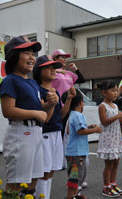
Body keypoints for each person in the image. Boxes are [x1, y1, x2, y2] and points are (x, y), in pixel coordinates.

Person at [0, 35, 56, 194]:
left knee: (33, 179)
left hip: (35, 132)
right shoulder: (10, 80)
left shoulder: (31, 83)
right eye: (27, 53)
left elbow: (43, 113)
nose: (32, 57)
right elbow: (8, 111)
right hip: (20, 133)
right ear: (13, 56)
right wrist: (37, 113)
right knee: (16, 182)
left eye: (33, 54)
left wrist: (51, 103)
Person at [33, 55, 76, 199]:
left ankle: (45, 196)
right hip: (45, 133)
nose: (53, 71)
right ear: (39, 71)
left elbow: (61, 115)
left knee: (51, 171)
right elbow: (44, 119)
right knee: (43, 172)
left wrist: (69, 98)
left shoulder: (55, 91)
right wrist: (51, 103)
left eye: (54, 69)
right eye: (48, 68)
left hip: (57, 132)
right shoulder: (37, 90)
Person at [65, 89, 102, 199]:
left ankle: (75, 195)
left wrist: (89, 127)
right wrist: (95, 130)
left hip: (72, 152)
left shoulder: (71, 115)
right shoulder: (78, 115)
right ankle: (72, 196)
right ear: (81, 102)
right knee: (76, 176)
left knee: (74, 175)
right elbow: (80, 131)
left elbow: (68, 130)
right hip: (77, 152)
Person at [97, 80, 122, 197]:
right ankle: (106, 187)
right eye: (113, 90)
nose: (116, 93)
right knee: (109, 165)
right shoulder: (102, 106)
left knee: (116, 163)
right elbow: (104, 122)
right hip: (108, 138)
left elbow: (119, 122)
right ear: (104, 92)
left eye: (117, 91)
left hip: (116, 138)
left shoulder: (115, 105)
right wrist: (117, 116)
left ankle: (113, 184)